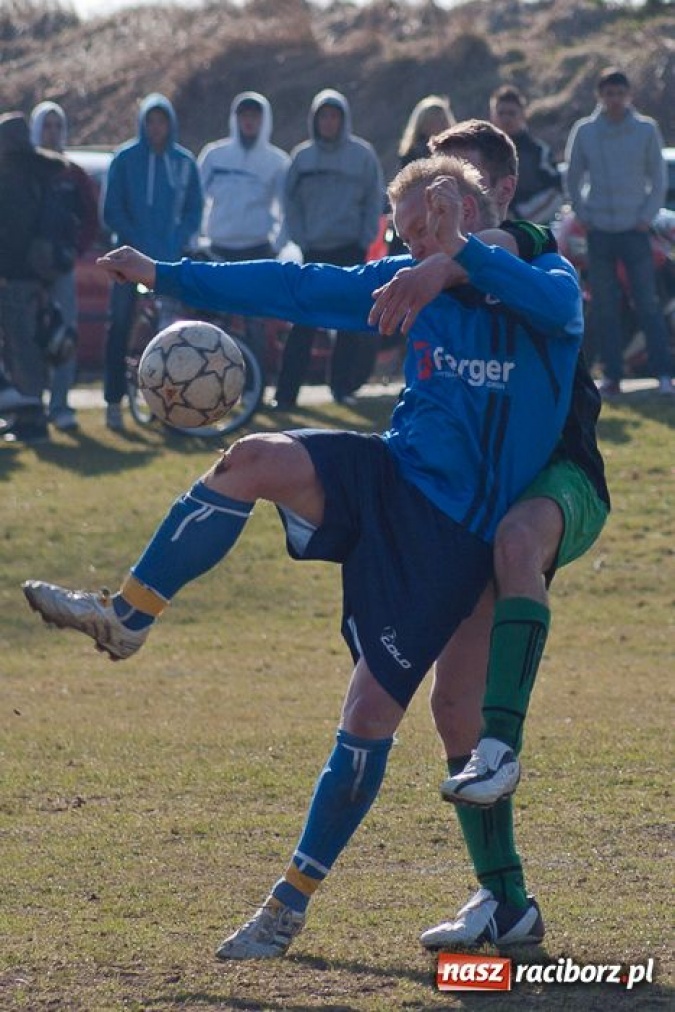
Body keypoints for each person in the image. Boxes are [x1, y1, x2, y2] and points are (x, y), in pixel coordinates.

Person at [23, 154, 583, 959]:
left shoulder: (540, 281)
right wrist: (162, 273)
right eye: (408, 227)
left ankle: (289, 905)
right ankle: (127, 616)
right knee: (251, 459)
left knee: (370, 720)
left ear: (474, 212)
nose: (417, 239)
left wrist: (457, 257)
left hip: (453, 539)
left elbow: (556, 305)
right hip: (387, 479)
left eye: (433, 220)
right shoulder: (400, 283)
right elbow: (288, 288)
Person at [368, 118, 609, 949]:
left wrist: (457, 251)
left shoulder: (535, 253)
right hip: (477, 500)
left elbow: (529, 261)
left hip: (563, 480)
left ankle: (504, 747)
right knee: (449, 708)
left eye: (457, 190)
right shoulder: (435, 273)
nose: (439, 206)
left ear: (498, 194)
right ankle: (506, 903)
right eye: (428, 192)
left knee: (515, 542)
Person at [565, 67, 673, 397]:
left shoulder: (645, 129)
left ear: (629, 95)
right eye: (608, 94)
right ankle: (612, 376)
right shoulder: (585, 131)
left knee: (647, 304)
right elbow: (572, 176)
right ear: (600, 96)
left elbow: (658, 178)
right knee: (605, 306)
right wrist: (585, 216)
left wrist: (646, 216)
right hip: (599, 232)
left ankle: (664, 375)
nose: (614, 100)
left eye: (619, 93)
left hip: (635, 232)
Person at [273, 88, 384, 409]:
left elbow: (374, 200)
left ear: (343, 119)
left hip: (350, 248)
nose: (329, 122)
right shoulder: (302, 157)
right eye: (323, 116)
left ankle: (341, 388)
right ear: (315, 119)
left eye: (334, 115)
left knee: (347, 323)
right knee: (303, 324)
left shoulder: (362, 156)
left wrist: (365, 239)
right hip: (313, 249)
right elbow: (289, 202)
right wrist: (301, 237)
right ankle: (285, 395)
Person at [102, 92, 203, 430]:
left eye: (162, 121)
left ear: (170, 124)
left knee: (170, 335)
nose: (156, 127)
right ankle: (114, 402)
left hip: (168, 263)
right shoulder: (125, 159)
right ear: (143, 123)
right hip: (127, 262)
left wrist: (176, 240)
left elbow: (194, 209)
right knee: (120, 326)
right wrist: (136, 242)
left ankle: (170, 407)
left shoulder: (184, 162)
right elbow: (111, 210)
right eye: (151, 121)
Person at [198, 91, 290, 374]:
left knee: (255, 324)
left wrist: (278, 244)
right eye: (244, 116)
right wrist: (195, 241)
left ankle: (254, 386)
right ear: (235, 119)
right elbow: (195, 201)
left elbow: (287, 209)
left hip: (257, 250)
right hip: (218, 249)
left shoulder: (277, 161)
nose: (249, 122)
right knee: (214, 324)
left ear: (264, 120)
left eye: (255, 116)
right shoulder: (214, 155)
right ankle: (209, 380)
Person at [29, 100, 99, 431]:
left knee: (64, 335)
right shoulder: (24, 169)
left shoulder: (74, 173)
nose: (52, 132)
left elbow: (90, 218)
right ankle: (31, 404)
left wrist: (75, 249)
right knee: (28, 337)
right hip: (27, 271)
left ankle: (60, 405)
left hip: (62, 267)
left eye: (58, 126)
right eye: (47, 125)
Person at [0, 112, 67, 444]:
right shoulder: (42, 173)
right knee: (33, 346)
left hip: (16, 277)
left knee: (21, 347)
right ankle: (29, 415)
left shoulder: (11, 178)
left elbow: (11, 234)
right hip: (41, 275)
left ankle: (31, 421)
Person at [387, 94, 455, 255]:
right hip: (414, 214)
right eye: (433, 120)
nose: (438, 124)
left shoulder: (455, 153)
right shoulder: (411, 155)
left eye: (441, 119)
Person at [489, 84, 562, 224]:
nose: (506, 119)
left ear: (523, 115)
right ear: (492, 115)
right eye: (501, 113)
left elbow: (556, 191)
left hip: (532, 232)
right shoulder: (480, 151)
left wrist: (520, 219)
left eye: (511, 113)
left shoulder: (538, 152)